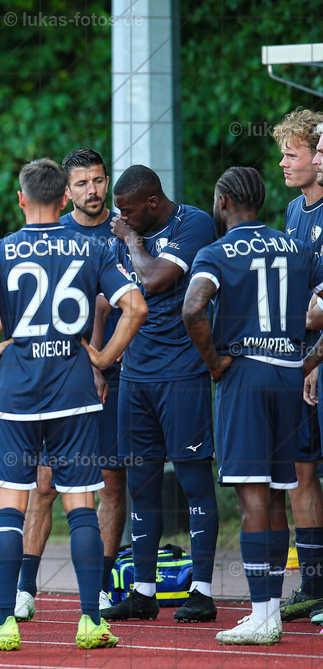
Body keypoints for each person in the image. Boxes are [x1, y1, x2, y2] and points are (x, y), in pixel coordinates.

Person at [0, 158, 145, 651]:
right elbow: (135, 306)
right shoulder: (90, 246)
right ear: (63, 200)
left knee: (9, 510)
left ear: (20, 199)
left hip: (16, 395)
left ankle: (4, 623)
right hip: (75, 393)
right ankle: (89, 620)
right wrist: (102, 355)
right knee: (81, 506)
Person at [183, 166, 323, 644]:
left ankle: (263, 612)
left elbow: (193, 307)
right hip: (287, 374)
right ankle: (271, 612)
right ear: (260, 202)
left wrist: (214, 361)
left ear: (223, 203)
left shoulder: (216, 251)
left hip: (245, 373)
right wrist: (308, 361)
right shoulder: (297, 246)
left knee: (251, 497)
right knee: (280, 492)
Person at [102, 165, 220, 624]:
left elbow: (152, 280)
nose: (122, 218)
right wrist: (99, 354)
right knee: (141, 482)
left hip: (183, 374)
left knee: (193, 480)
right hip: (135, 374)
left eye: (128, 212)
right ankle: (144, 591)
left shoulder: (193, 224)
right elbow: (107, 294)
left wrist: (131, 239)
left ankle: (203, 590)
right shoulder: (127, 229)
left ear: (152, 203)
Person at [13, 148, 127, 619]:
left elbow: (117, 304)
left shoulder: (126, 231)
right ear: (65, 193)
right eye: (82, 184)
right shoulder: (53, 234)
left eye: (99, 181)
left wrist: (103, 363)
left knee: (112, 482)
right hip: (61, 376)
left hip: (120, 373)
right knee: (44, 483)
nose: (93, 191)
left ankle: (99, 585)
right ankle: (25, 587)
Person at [270, 109, 323, 621]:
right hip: (300, 359)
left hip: (317, 355)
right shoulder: (292, 212)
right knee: (301, 468)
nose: (283, 162)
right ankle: (312, 582)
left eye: (293, 154)